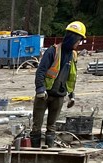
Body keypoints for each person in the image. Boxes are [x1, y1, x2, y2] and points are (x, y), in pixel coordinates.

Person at [31, 21, 86, 149]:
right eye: (79, 41)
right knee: (36, 125)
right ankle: (35, 151)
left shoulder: (73, 55)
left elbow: (71, 77)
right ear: (73, 38)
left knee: (52, 126)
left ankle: (49, 150)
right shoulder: (53, 51)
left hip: (59, 95)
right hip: (44, 95)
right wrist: (40, 88)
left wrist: (71, 95)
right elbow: (41, 71)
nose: (79, 44)